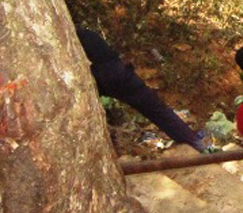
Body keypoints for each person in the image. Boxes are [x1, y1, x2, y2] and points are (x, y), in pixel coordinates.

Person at [76, 27, 205, 152]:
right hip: (119, 73)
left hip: (104, 75)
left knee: (156, 110)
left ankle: (198, 144)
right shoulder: (85, 33)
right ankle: (197, 143)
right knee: (157, 110)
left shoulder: (76, 37)